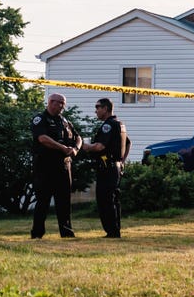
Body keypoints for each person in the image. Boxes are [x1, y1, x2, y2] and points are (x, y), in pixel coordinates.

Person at [30, 93, 82, 238]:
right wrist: (62, 148)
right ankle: (37, 233)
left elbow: (78, 137)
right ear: (52, 102)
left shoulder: (64, 121)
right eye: (61, 103)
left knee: (64, 200)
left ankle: (66, 232)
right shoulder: (40, 119)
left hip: (64, 166)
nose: (63, 107)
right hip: (45, 165)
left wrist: (75, 149)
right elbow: (43, 138)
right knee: (43, 200)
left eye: (63, 103)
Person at [82, 97, 128, 238]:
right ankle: (115, 230)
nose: (95, 110)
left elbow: (100, 146)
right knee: (113, 199)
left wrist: (86, 147)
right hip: (115, 166)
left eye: (98, 107)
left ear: (106, 108)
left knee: (105, 199)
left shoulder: (108, 125)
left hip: (107, 167)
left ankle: (112, 231)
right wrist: (122, 161)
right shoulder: (119, 124)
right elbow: (128, 143)